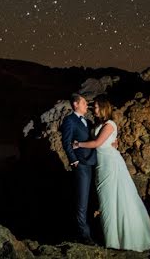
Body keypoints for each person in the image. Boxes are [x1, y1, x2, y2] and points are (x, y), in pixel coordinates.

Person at [73, 95, 150, 252]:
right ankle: (113, 239)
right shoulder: (99, 124)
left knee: (112, 200)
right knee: (107, 201)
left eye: (96, 107)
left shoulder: (110, 124)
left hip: (110, 164)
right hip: (101, 165)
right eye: (93, 107)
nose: (94, 109)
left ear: (104, 107)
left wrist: (78, 144)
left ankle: (121, 241)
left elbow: (97, 143)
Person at [60, 92, 97, 244]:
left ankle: (91, 231)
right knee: (81, 201)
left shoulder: (88, 121)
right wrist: (74, 160)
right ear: (75, 104)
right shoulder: (69, 120)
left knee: (91, 199)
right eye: (83, 103)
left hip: (93, 163)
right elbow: (66, 141)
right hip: (81, 164)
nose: (86, 105)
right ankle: (83, 235)